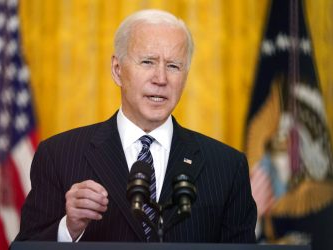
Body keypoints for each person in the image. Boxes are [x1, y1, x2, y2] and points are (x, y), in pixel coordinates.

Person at [14, 9, 257, 243]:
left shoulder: (227, 167)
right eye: (147, 62)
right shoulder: (59, 155)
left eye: (173, 66)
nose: (160, 79)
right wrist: (69, 227)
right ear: (117, 70)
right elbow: (26, 245)